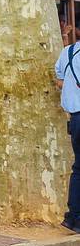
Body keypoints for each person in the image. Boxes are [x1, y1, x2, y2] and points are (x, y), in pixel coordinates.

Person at [53, 41, 80, 234]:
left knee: (78, 168)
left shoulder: (68, 51)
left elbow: (60, 80)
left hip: (76, 118)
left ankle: (73, 217)